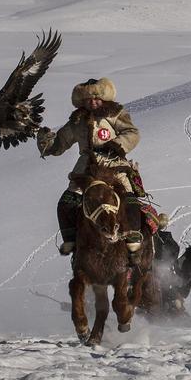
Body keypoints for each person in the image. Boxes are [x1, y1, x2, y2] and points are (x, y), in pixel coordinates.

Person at [36, 77, 143, 259]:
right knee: (66, 202)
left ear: (104, 98)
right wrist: (46, 141)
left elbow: (132, 133)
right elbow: (60, 144)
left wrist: (117, 144)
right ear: (82, 100)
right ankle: (71, 240)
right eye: (88, 99)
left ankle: (132, 235)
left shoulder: (115, 113)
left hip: (113, 164)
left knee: (128, 199)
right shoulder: (76, 121)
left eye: (97, 98)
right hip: (86, 169)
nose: (93, 102)